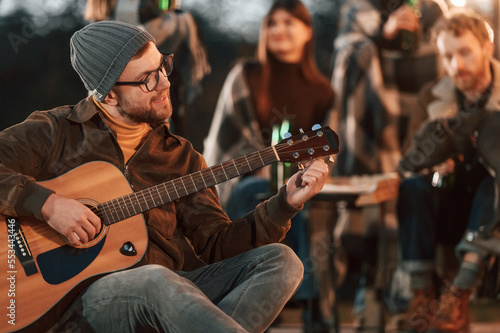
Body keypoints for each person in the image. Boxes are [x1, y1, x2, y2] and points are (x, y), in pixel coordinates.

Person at [0, 20, 330, 333]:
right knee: (153, 280)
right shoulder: (55, 132)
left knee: (282, 261)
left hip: (169, 294)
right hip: (80, 305)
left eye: (163, 66)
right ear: (108, 95)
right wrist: (47, 205)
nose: (165, 83)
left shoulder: (181, 158)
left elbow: (218, 246)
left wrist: (285, 204)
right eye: (147, 79)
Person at [203, 0, 334, 330]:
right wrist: (260, 163)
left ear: (307, 32)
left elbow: (327, 148)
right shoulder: (247, 74)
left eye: (289, 22)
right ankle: (261, 290)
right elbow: (228, 138)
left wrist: (313, 171)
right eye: (272, 23)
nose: (279, 30)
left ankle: (310, 303)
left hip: (302, 182)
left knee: (316, 205)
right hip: (246, 179)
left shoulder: (322, 89)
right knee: (257, 190)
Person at [330, 0, 447, 328]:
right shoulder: (358, 9)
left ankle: (412, 302)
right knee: (377, 209)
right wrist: (384, 35)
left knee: (415, 200)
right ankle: (373, 294)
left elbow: (449, 64)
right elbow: (345, 61)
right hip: (372, 136)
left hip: (421, 130)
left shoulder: (434, 10)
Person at [397, 8, 497, 333]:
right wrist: (433, 161)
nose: (457, 65)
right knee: (412, 187)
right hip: (445, 203)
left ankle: (458, 292)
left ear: (487, 47)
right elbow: (409, 159)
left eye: (465, 52)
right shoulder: (431, 97)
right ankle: (422, 295)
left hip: (492, 207)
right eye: (448, 56)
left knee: (493, 184)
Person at [84, 0, 211, 138]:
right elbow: (153, 34)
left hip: (103, 103)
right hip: (136, 102)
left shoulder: (104, 9)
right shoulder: (129, 7)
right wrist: (182, 18)